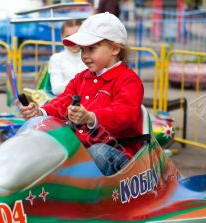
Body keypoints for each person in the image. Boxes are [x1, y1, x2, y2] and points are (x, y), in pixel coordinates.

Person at [20, 12, 144, 176]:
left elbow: (125, 115)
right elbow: (63, 101)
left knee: (95, 155)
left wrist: (91, 117)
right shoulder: (81, 78)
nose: (85, 56)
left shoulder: (129, 80)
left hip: (119, 151)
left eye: (91, 49)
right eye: (82, 50)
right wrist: (40, 112)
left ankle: (72, 194)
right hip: (83, 147)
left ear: (114, 48)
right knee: (42, 145)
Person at [48, 20, 87, 95]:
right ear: (62, 37)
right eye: (68, 36)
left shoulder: (92, 56)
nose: (73, 40)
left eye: (77, 36)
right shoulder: (56, 59)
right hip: (67, 102)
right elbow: (56, 89)